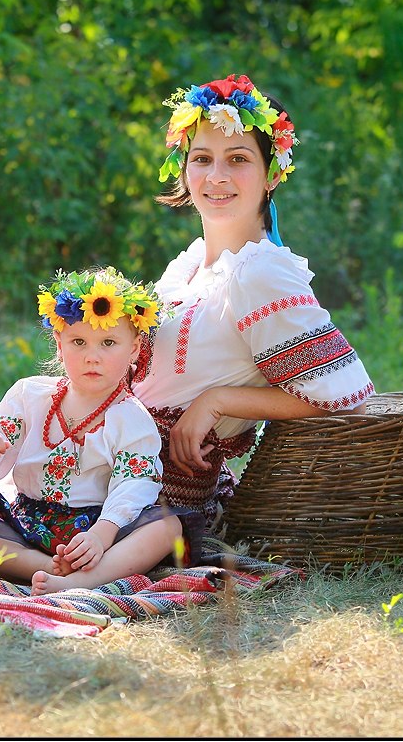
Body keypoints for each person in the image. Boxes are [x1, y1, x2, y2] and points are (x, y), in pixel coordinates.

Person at [133, 72, 374, 532]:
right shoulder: (184, 269)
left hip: (157, 491)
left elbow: (344, 398)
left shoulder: (261, 273)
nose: (217, 176)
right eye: (202, 158)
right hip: (116, 461)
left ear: (272, 173)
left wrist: (219, 401)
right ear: (184, 170)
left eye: (238, 159)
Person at [0, 268, 194, 596]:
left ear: (135, 348)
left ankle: (85, 579)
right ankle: (40, 566)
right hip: (27, 520)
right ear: (59, 343)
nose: (92, 356)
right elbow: (0, 430)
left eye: (109, 342)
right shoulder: (31, 395)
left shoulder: (131, 419)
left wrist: (101, 535)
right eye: (78, 342)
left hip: (96, 529)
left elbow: (134, 485)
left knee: (167, 526)